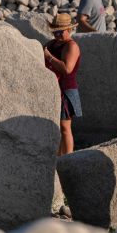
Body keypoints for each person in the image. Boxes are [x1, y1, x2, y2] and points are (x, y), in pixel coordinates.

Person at [43, 13, 82, 155]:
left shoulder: (72, 46)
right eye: (55, 32)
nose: (57, 35)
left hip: (65, 89)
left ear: (69, 30)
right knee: (55, 127)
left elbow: (67, 68)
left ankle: (68, 157)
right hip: (53, 88)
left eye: (60, 32)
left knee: (65, 127)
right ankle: (59, 157)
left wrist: (49, 57)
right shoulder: (52, 44)